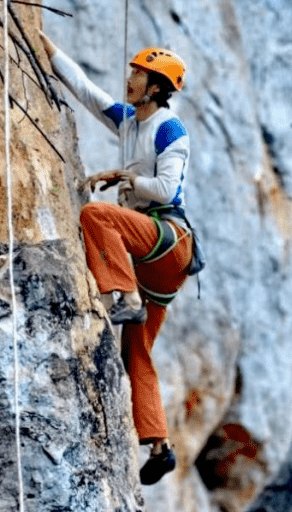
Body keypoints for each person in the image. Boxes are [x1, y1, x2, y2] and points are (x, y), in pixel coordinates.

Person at [38, 31, 195, 486]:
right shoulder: (130, 121)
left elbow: (167, 190)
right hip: (155, 256)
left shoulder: (169, 129)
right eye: (133, 72)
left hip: (168, 238)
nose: (130, 79)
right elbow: (87, 92)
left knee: (96, 214)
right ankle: (159, 445)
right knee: (136, 352)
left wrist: (122, 177)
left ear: (157, 88)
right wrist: (46, 46)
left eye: (139, 74)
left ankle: (123, 293)